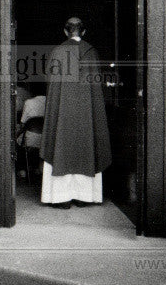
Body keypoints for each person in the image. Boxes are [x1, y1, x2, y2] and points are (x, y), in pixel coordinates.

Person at [39, 17, 112, 206]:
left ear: (65, 31)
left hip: (62, 114)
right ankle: (84, 197)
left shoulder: (57, 52)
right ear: (84, 32)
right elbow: (98, 88)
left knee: (60, 146)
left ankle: (60, 198)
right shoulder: (91, 53)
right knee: (86, 145)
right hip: (86, 115)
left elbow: (51, 84)